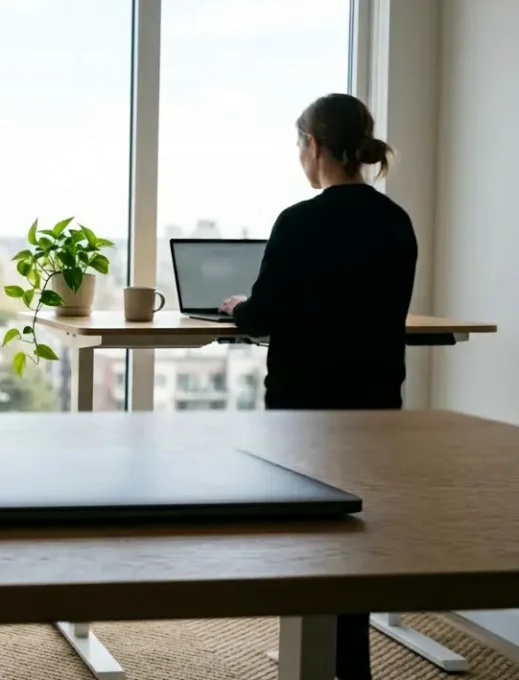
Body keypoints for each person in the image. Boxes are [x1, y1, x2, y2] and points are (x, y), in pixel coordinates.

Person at [219, 93, 417, 680]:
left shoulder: (298, 221)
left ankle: (308, 658)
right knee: (356, 535)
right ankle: (349, 662)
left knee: (306, 534)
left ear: (313, 145)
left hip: (305, 408)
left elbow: (264, 316)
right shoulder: (395, 221)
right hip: (376, 404)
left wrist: (238, 308)